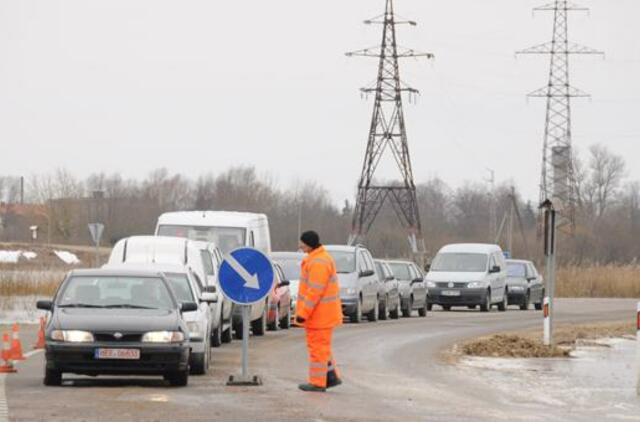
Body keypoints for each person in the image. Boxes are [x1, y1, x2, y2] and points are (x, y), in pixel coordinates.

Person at [295, 230, 343, 392]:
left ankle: (318, 382)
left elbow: (315, 291)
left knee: (318, 350)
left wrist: (303, 314)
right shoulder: (317, 259)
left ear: (308, 244)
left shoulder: (318, 262)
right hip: (321, 315)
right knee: (322, 348)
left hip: (320, 316)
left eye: (301, 243)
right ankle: (331, 377)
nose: (299, 246)